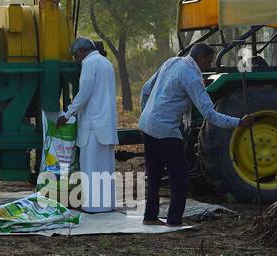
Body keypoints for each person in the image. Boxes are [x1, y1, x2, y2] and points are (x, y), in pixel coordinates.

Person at [138, 42, 255, 226]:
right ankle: (174, 220)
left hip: (146, 125)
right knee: (180, 178)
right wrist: (240, 123)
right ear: (199, 59)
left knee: (154, 175)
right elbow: (210, 114)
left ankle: (150, 217)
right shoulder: (191, 76)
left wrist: (146, 115)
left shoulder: (171, 62)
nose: (208, 66)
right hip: (166, 131)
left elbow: (145, 89)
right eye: (208, 62)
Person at [57, 37, 119, 213]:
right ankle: (107, 204)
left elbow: (83, 94)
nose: (77, 60)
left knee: (90, 166)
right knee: (105, 167)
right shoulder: (105, 62)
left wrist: (67, 114)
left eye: (76, 56)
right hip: (105, 123)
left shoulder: (90, 63)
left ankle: (93, 206)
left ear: (82, 51)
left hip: (94, 124)